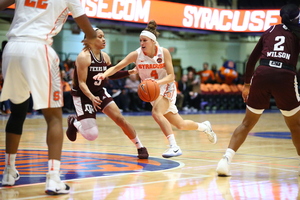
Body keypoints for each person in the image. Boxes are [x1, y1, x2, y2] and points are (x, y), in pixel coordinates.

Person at [0, 0, 100, 195]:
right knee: (53, 116)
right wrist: (90, 38)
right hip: (39, 49)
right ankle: (53, 179)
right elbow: (88, 29)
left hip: (11, 49)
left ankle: (8, 172)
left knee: (17, 112)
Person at [93, 20, 217, 158]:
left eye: (144, 40)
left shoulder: (163, 52)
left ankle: (174, 147)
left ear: (152, 41)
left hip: (167, 87)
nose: (141, 43)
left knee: (156, 113)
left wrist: (156, 83)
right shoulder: (136, 54)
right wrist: (103, 74)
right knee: (180, 124)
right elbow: (117, 67)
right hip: (154, 92)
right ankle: (205, 127)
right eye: (140, 40)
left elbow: (171, 76)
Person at [216, 4, 300, 176]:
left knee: (247, 123)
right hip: (285, 75)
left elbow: (252, 59)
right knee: (296, 126)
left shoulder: (270, 30)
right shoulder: (297, 33)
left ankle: (225, 160)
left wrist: (247, 84)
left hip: (262, 73)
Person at [66, 28, 149, 159]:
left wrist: (129, 72)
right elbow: (81, 83)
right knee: (92, 135)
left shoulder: (105, 56)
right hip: (83, 96)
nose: (103, 39)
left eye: (103, 36)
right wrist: (91, 97)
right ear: (90, 40)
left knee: (120, 119)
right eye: (99, 37)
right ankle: (74, 122)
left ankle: (140, 146)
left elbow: (111, 74)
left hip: (99, 92)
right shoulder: (83, 57)